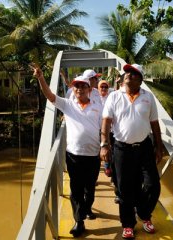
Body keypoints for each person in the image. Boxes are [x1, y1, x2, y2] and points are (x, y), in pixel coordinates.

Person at [32, 67, 102, 237]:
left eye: (83, 86)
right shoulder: (68, 105)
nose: (79, 89)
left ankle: (84, 210)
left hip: (93, 155)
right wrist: (41, 78)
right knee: (76, 189)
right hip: (73, 155)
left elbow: (106, 126)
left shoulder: (98, 106)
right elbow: (50, 96)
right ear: (74, 89)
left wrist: (106, 145)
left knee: (90, 188)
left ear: (89, 89)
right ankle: (79, 221)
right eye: (76, 86)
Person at [100, 63, 162, 239]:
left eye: (134, 74)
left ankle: (143, 213)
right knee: (124, 188)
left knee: (152, 185)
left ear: (140, 80)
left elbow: (154, 123)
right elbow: (106, 121)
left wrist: (159, 146)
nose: (128, 75)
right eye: (127, 72)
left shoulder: (148, 97)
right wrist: (104, 144)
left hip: (144, 147)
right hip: (122, 148)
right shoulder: (114, 97)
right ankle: (128, 224)